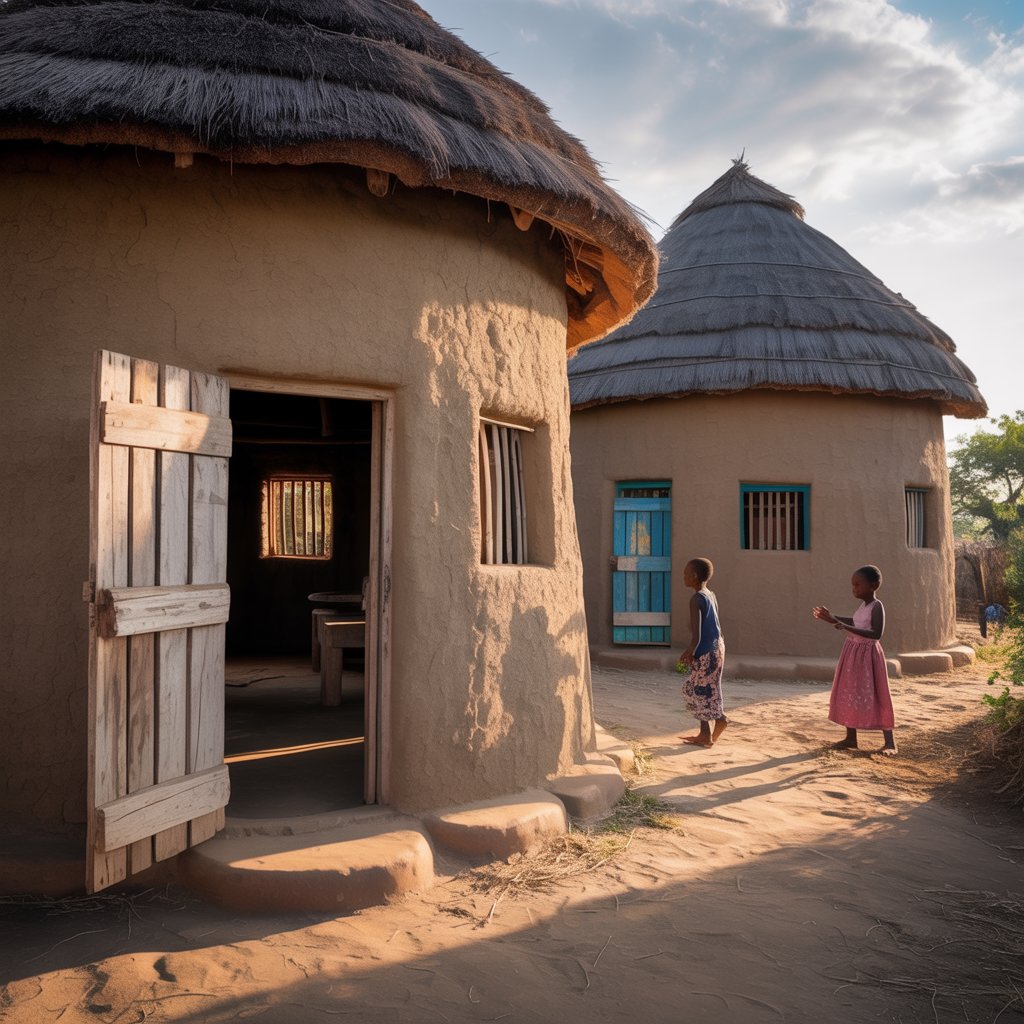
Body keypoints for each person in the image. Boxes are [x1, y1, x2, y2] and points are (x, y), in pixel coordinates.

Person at [813, 564, 897, 756]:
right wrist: (832, 618)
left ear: (873, 585)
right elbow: (854, 623)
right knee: (849, 691)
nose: (854, 588)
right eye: (853, 585)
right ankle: (851, 738)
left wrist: (842, 625)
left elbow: (876, 633)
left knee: (877, 693)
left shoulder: (877, 606)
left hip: (868, 656)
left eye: (858, 584)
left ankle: (890, 742)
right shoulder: (863, 606)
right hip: (853, 654)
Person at [676, 557, 727, 747]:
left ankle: (715, 724)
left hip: (706, 651)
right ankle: (708, 729)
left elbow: (696, 635)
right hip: (717, 647)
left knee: (696, 690)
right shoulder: (710, 594)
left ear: (695, 576)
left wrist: (690, 652)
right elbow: (716, 626)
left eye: (686, 573)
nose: (684, 576)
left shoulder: (696, 599)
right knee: (702, 689)